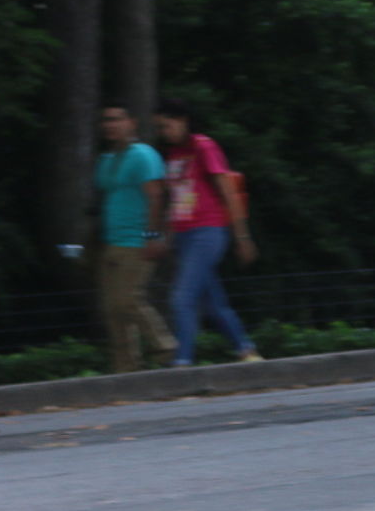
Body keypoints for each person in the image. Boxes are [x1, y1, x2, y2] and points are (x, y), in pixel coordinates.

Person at [153, 99, 261, 366]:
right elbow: (175, 201)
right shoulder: (174, 156)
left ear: (183, 121)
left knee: (182, 298)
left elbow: (228, 192)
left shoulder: (204, 146)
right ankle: (246, 351)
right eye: (160, 127)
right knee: (212, 303)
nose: (164, 132)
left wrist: (242, 237)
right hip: (184, 236)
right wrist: (165, 238)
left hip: (207, 232)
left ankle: (183, 363)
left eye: (167, 125)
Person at [92, 103, 176, 373]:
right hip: (111, 242)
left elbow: (156, 196)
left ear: (132, 123)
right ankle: (126, 369)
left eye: (116, 119)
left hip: (137, 241)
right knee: (112, 310)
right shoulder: (106, 160)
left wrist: (153, 236)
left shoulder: (143, 154)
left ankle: (167, 350)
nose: (110, 125)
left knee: (128, 300)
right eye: (106, 120)